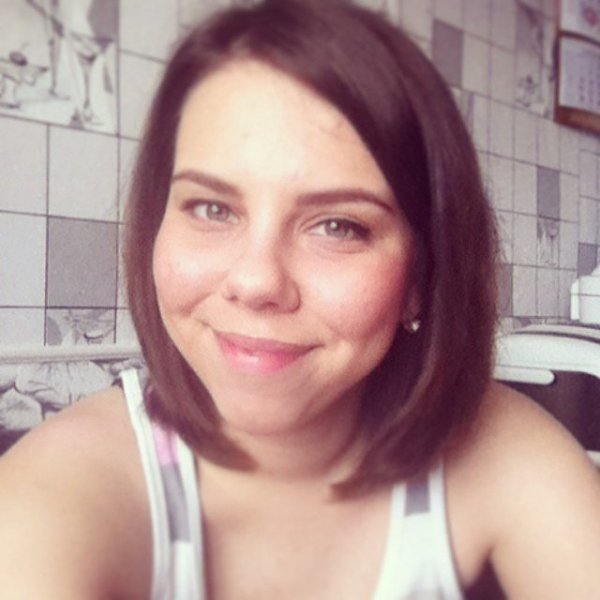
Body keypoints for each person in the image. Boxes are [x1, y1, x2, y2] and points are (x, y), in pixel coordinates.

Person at [1, 1, 599, 598]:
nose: (257, 282)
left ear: (421, 277)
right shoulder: (64, 484)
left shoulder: (501, 454)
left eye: (338, 226)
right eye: (212, 208)